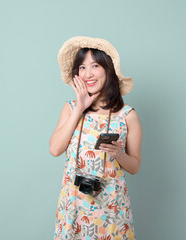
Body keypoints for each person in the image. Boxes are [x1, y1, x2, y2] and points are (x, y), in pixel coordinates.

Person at [49, 36, 142, 240]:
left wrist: (118, 153)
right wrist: (79, 109)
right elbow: (55, 149)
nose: (88, 73)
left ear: (108, 70)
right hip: (73, 207)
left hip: (111, 210)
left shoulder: (127, 115)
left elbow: (135, 166)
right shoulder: (71, 108)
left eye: (95, 65)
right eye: (82, 67)